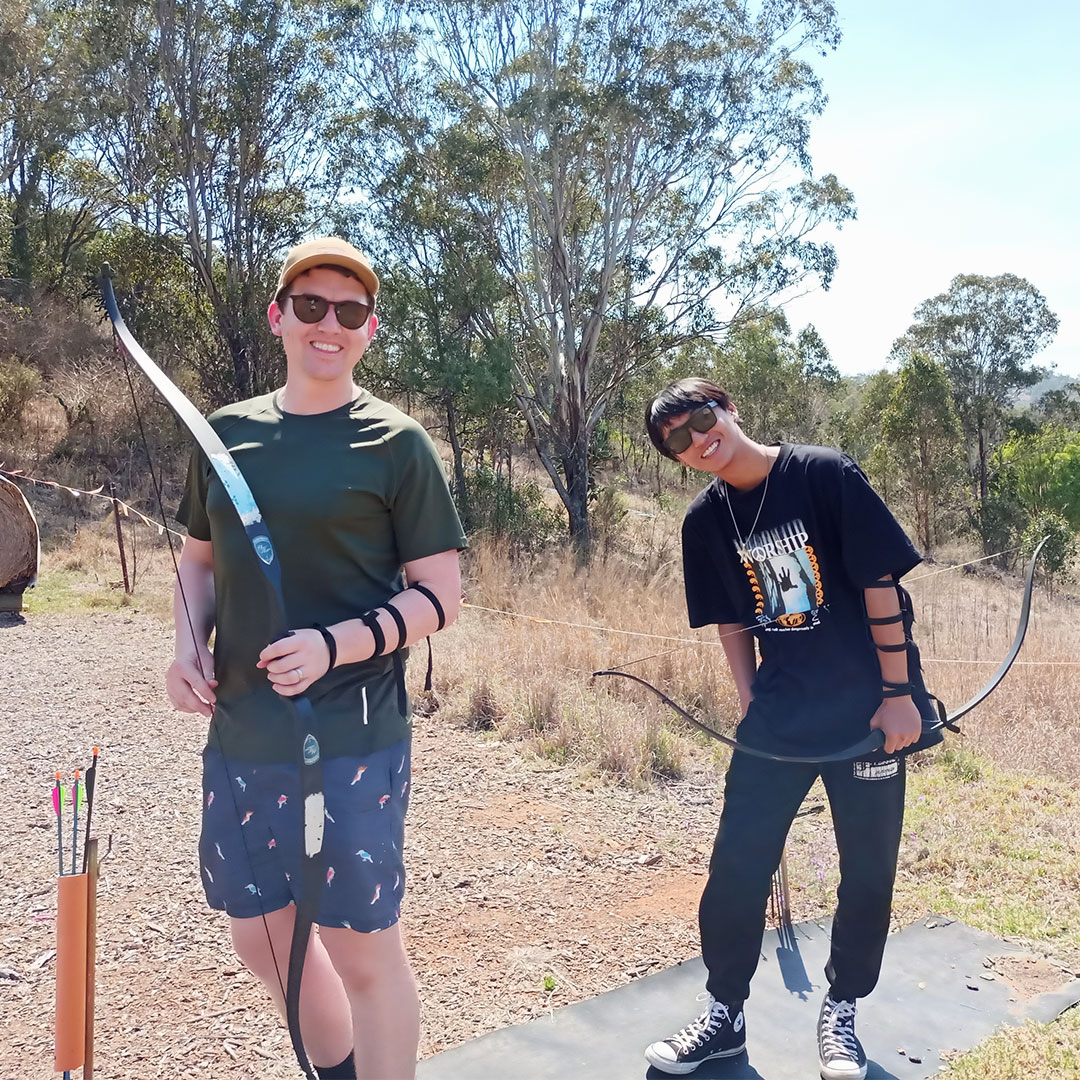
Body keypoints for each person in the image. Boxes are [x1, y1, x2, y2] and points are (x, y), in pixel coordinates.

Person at [166, 237, 466, 1080]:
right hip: (242, 731)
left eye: (350, 312)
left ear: (369, 330)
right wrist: (187, 647)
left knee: (361, 950)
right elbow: (197, 560)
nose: (329, 325)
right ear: (279, 316)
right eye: (310, 306)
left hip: (352, 734)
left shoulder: (398, 443)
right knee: (261, 937)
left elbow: (440, 594)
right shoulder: (225, 437)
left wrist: (336, 645)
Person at [641, 378, 942, 1080]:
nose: (698, 441)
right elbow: (730, 616)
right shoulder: (704, 521)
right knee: (736, 868)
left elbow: (881, 588)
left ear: (731, 409)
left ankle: (842, 1012)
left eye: (703, 420)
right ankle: (725, 1014)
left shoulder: (823, 474)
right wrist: (749, 698)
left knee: (867, 872)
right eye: (677, 440)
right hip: (779, 716)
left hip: (868, 716)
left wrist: (898, 696)